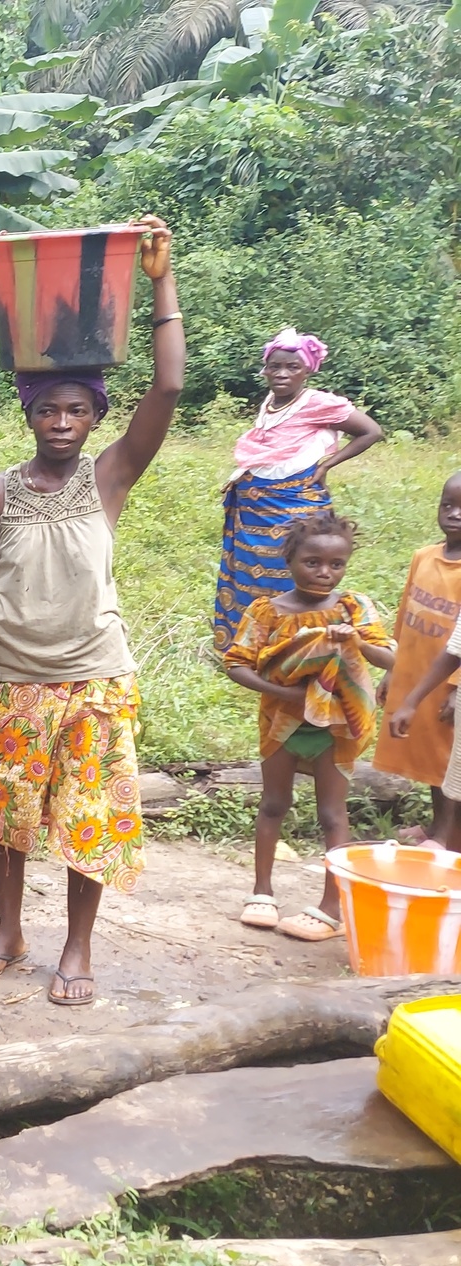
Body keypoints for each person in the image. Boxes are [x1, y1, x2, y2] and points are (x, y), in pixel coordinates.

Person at [0, 214, 182, 1009]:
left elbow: (168, 388)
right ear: (29, 416)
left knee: (90, 818)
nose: (61, 423)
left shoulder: (108, 477)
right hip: (10, 678)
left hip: (94, 678)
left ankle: (77, 946)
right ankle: (10, 932)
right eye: (48, 410)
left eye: (76, 411)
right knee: (6, 817)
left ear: (94, 418)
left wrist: (159, 279)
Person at [223, 511, 393, 941]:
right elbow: (236, 664)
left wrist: (355, 640)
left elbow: (389, 657)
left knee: (332, 813)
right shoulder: (267, 611)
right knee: (273, 804)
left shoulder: (353, 609)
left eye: (336, 564)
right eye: (312, 562)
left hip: (337, 726)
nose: (324, 572)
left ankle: (331, 907)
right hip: (282, 723)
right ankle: (262, 891)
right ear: (290, 561)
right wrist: (288, 694)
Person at [212, 330, 382, 651]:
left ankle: (298, 648)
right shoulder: (271, 401)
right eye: (274, 366)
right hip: (255, 508)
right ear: (265, 370)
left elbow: (371, 431)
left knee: (293, 569)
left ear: (307, 371)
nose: (282, 374)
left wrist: (328, 465)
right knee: (249, 572)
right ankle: (251, 646)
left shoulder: (317, 403)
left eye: (292, 367)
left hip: (293, 505)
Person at [381, 474, 461, 846]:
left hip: (447, 683)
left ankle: (445, 837)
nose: (454, 514)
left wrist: (456, 688)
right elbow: (403, 616)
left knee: (449, 761)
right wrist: (392, 669)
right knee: (429, 757)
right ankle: (436, 828)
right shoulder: (423, 557)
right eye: (448, 505)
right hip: (418, 675)